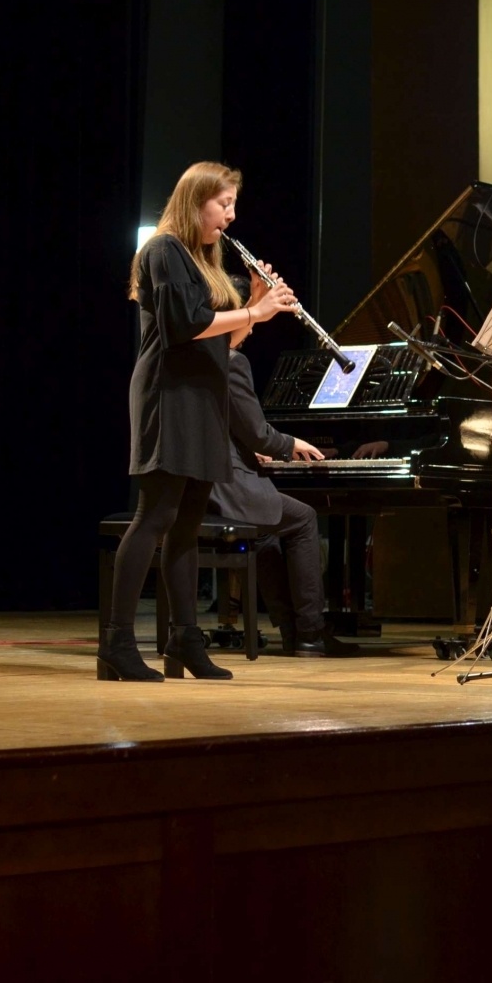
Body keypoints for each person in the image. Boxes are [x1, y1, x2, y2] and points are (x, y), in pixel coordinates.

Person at [99, 161, 296, 681]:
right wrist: (255, 312)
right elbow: (185, 327)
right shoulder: (163, 250)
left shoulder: (201, 258)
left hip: (202, 397)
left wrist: (258, 305)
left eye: (233, 205)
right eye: (223, 204)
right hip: (169, 396)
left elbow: (220, 342)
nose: (229, 217)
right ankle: (116, 644)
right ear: (196, 201)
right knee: (156, 517)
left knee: (188, 527)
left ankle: (184, 640)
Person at [209, 333, 358, 657]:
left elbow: (221, 423)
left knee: (269, 528)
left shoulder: (193, 357)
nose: (251, 331)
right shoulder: (232, 361)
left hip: (203, 478)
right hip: (226, 484)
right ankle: (310, 634)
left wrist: (245, 448)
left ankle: (292, 632)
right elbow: (257, 431)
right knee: (303, 519)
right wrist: (289, 444)